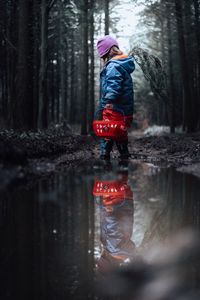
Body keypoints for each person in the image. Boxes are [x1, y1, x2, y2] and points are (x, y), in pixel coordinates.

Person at [96, 35, 135, 160]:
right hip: (124, 108)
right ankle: (124, 155)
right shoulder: (122, 64)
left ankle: (104, 156)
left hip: (114, 107)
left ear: (106, 52)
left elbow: (114, 85)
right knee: (119, 132)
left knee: (107, 130)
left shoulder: (113, 65)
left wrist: (108, 99)